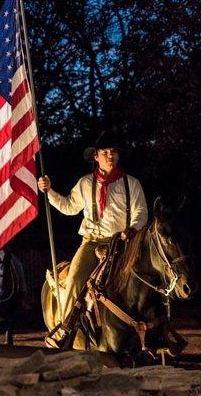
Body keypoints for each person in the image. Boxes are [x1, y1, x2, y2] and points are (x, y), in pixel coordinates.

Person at [38, 131, 148, 328]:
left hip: (123, 243)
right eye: (105, 152)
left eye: (113, 151)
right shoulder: (85, 183)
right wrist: (50, 191)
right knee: (74, 278)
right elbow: (69, 207)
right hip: (92, 242)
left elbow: (141, 211)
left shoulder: (131, 183)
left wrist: (132, 229)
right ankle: (66, 326)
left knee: (149, 276)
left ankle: (155, 326)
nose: (110, 155)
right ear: (96, 157)